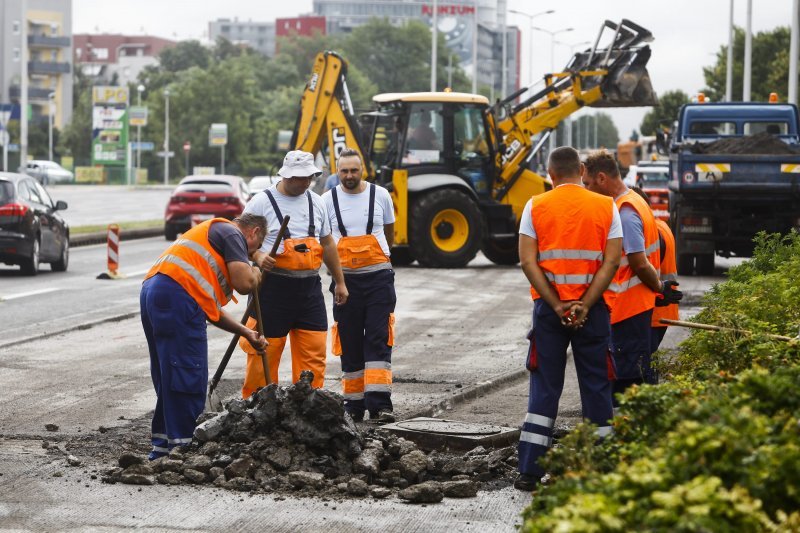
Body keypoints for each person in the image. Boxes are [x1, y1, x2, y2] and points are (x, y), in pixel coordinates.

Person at [514, 146, 623, 491]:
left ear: (550, 173)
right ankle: (602, 468)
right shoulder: (607, 207)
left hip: (550, 313)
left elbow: (528, 262)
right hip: (593, 312)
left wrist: (558, 305)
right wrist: (585, 305)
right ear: (580, 169)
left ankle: (530, 471)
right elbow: (611, 262)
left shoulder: (536, 205)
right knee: (596, 385)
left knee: (545, 386)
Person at [140, 213, 268, 460]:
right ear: (253, 232)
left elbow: (211, 311)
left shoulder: (211, 240)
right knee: (188, 371)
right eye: (256, 246)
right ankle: (185, 448)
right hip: (176, 296)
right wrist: (256, 271)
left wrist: (246, 332)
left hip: (158, 292)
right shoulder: (232, 233)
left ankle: (164, 445)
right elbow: (244, 283)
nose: (250, 252)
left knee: (169, 374)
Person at [238, 150, 348, 397]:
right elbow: (238, 241)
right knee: (263, 354)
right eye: (298, 178)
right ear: (286, 176)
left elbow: (328, 244)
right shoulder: (261, 202)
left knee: (314, 353)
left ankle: (310, 407)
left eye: (307, 178)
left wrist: (340, 282)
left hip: (309, 291)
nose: (303, 182)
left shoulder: (316, 202)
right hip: (270, 291)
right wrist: (256, 256)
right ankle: (256, 409)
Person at [582, 151, 681, 402]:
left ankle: (622, 435)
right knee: (639, 378)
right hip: (638, 309)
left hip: (628, 311)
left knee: (625, 385)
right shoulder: (635, 201)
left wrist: (659, 286)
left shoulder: (625, 212)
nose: (586, 189)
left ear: (602, 178)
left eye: (588, 184)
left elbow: (638, 262)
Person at [322, 148, 397, 424]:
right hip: (345, 283)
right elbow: (324, 241)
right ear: (337, 172)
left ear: (363, 169)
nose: (349, 176)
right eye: (344, 171)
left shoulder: (381, 195)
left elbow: (389, 231)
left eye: (354, 170)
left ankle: (380, 405)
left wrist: (384, 258)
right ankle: (353, 406)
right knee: (349, 341)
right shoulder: (326, 200)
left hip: (379, 279)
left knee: (378, 339)